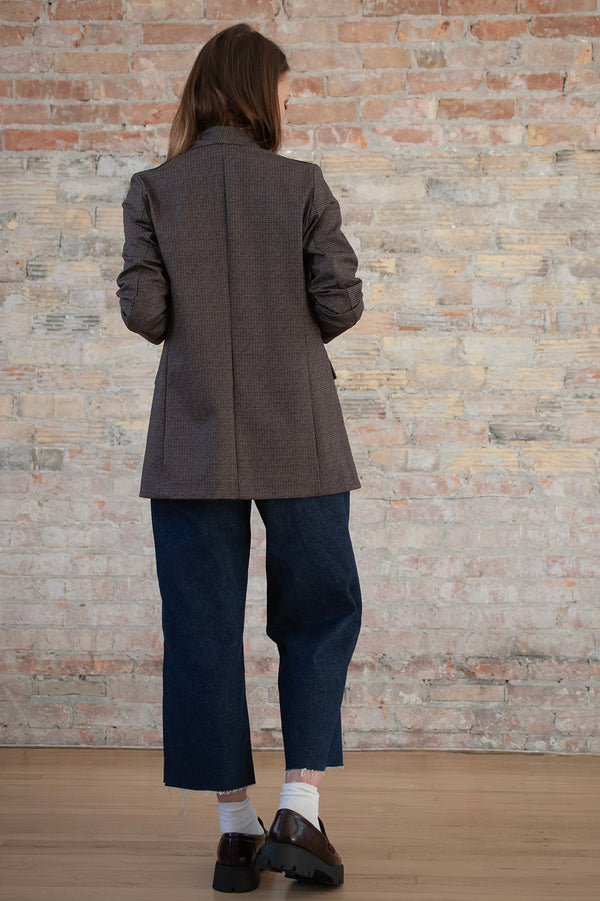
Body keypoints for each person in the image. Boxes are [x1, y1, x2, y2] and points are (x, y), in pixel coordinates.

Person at [117, 22, 363, 894]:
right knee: (320, 611)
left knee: (201, 626)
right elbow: (340, 302)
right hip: (299, 429)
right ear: (261, 95)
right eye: (287, 94)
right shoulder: (301, 184)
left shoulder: (153, 188)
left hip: (192, 436)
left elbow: (146, 313)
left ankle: (233, 831)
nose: (290, 109)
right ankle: (299, 805)